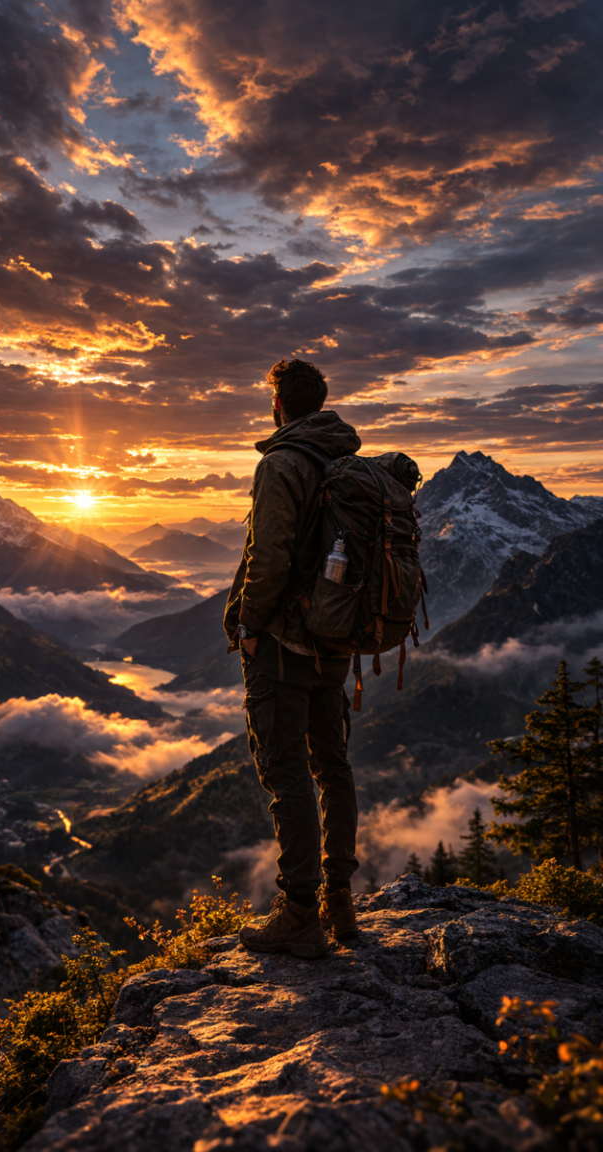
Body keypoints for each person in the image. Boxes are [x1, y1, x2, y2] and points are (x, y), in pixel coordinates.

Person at [224, 358, 361, 958]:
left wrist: (250, 624)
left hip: (284, 643)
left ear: (277, 404)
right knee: (332, 766)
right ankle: (339, 902)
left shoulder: (282, 463)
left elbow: (270, 556)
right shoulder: (346, 461)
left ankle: (300, 913)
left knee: (287, 772)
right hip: (335, 639)